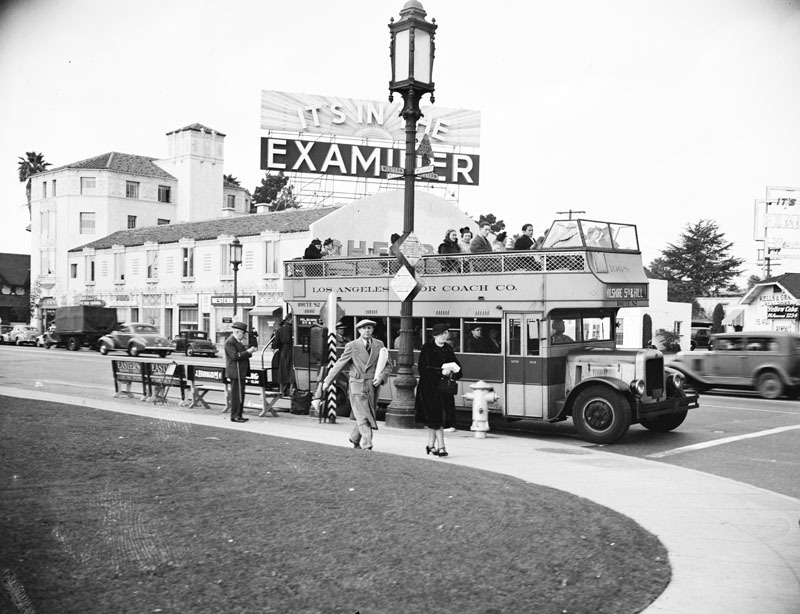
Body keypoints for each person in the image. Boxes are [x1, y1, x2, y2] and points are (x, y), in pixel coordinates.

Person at [322, 319, 391, 451]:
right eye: (364, 328)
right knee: (364, 414)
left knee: (367, 413)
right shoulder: (352, 346)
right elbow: (339, 365)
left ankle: (354, 437)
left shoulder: (379, 344)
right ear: (359, 330)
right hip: (357, 384)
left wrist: (381, 377)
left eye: (369, 328)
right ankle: (367, 444)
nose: (367, 330)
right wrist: (327, 381)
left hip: (373, 385)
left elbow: (388, 365)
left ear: (373, 330)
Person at [415, 322, 461, 457]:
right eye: (442, 334)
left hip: (443, 389)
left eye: (446, 333)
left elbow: (458, 367)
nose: (444, 336)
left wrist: (453, 372)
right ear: (435, 335)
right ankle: (442, 447)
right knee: (436, 418)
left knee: (435, 419)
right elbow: (422, 369)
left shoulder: (448, 348)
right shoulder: (427, 348)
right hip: (429, 390)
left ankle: (430, 445)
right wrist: (441, 372)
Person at [225, 321, 256, 423]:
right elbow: (235, 356)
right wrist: (248, 352)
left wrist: (248, 351)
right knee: (236, 395)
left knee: (240, 394)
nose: (243, 336)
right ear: (238, 332)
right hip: (235, 372)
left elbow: (241, 354)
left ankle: (239, 414)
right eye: (243, 333)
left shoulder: (237, 341)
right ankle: (235, 415)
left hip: (240, 372)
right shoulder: (230, 342)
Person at [272, 318, 296, 396]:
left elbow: (276, 344)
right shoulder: (294, 329)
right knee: (292, 370)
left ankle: (282, 390)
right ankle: (292, 389)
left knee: (283, 371)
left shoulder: (280, 330)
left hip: (284, 351)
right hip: (294, 351)